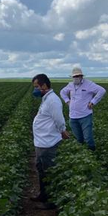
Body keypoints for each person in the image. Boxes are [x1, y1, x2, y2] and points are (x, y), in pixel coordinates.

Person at [33, 73, 70, 209]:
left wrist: (63, 130)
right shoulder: (47, 99)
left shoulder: (53, 100)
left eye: (37, 87)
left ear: (44, 85)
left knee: (49, 171)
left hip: (48, 142)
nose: (35, 89)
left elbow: (59, 119)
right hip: (41, 141)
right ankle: (43, 194)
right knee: (41, 169)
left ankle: (51, 200)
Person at [59, 66, 106, 151]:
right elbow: (62, 92)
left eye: (77, 76)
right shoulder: (70, 85)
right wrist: (67, 101)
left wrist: (93, 102)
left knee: (88, 138)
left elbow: (102, 90)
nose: (76, 78)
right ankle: (82, 154)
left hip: (85, 115)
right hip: (73, 117)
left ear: (81, 76)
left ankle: (92, 153)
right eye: (74, 76)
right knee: (78, 139)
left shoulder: (89, 84)